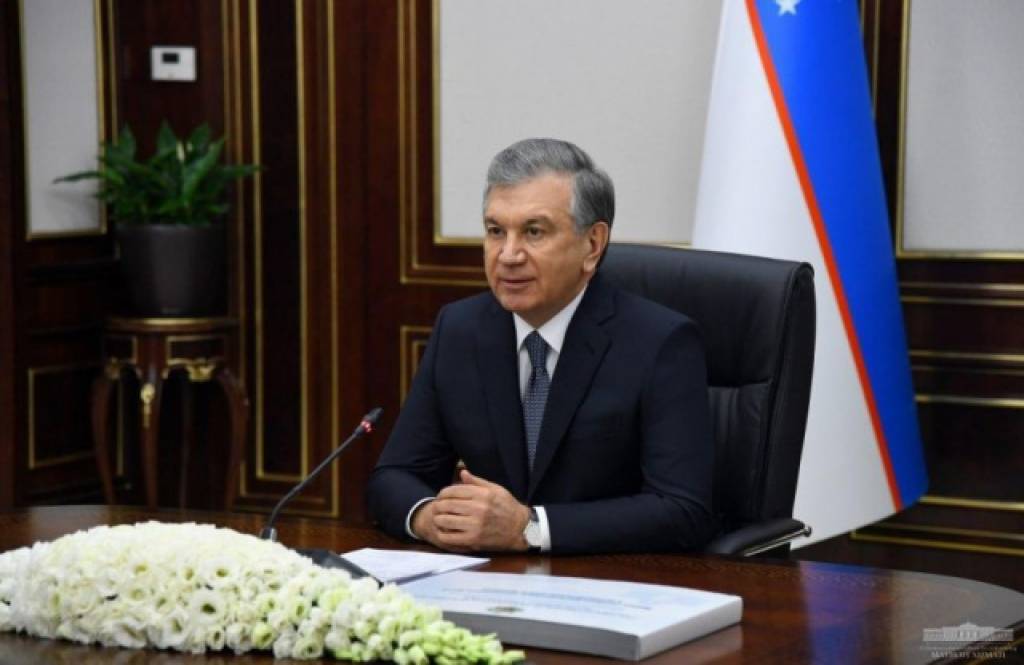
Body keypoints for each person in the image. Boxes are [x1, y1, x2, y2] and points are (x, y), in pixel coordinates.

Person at [367, 138, 716, 554]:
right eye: (496, 231)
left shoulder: (660, 342)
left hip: (607, 578)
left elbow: (683, 510)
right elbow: (393, 476)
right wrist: (430, 517)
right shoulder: (460, 329)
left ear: (592, 244)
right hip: (485, 578)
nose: (508, 255)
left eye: (534, 232)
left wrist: (531, 529)